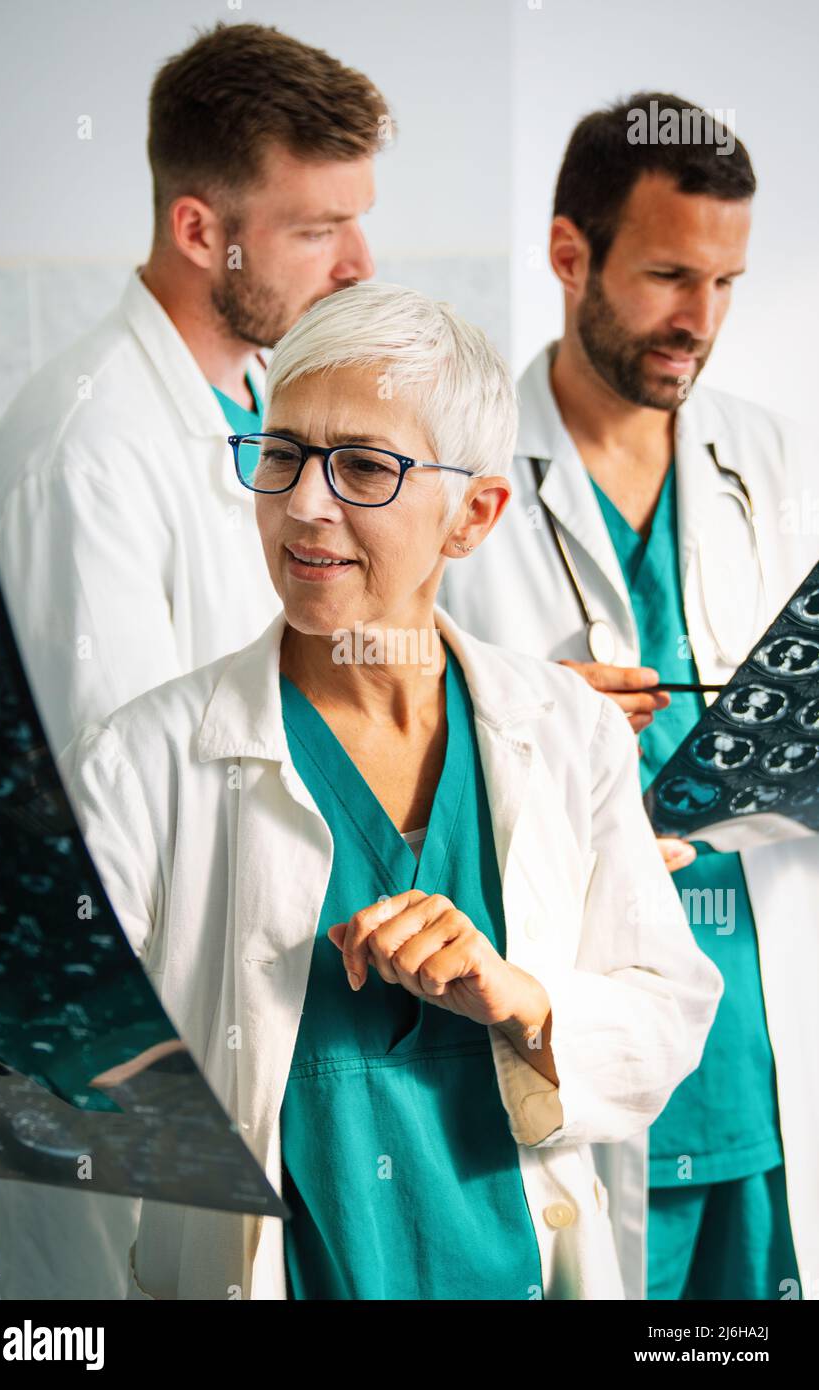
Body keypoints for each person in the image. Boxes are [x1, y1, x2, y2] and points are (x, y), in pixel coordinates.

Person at [57, 281, 722, 1299]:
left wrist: (520, 1002)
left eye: (363, 466)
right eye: (280, 454)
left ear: (474, 513)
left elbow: (667, 1013)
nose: (303, 503)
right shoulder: (147, 759)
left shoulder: (565, 731)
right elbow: (33, 1057)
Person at [0, 21, 390, 1300]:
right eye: (318, 228)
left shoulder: (260, 408)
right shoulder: (85, 452)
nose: (359, 262)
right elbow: (118, 819)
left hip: (254, 1022)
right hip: (133, 1066)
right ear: (204, 230)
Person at [439, 92, 818, 1301]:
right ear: (568, 255)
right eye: (664, 276)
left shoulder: (766, 455)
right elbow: (380, 737)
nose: (696, 322)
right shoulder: (456, 472)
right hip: (577, 1047)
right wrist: (520, 713)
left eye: (722, 282)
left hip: (757, 1050)